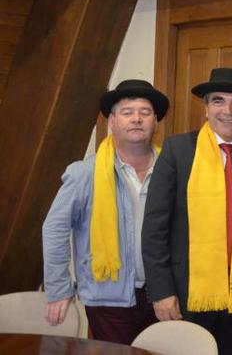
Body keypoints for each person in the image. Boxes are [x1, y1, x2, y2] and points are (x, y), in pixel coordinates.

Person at [142, 67, 232, 355]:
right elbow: (154, 228)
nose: (228, 110)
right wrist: (161, 292)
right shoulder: (178, 151)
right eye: (218, 100)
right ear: (206, 107)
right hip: (188, 295)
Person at [42, 79, 169, 344]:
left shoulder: (172, 170)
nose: (136, 118)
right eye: (127, 112)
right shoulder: (84, 173)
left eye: (145, 112)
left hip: (164, 294)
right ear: (112, 122)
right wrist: (58, 288)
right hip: (108, 300)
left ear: (155, 121)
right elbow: (54, 229)